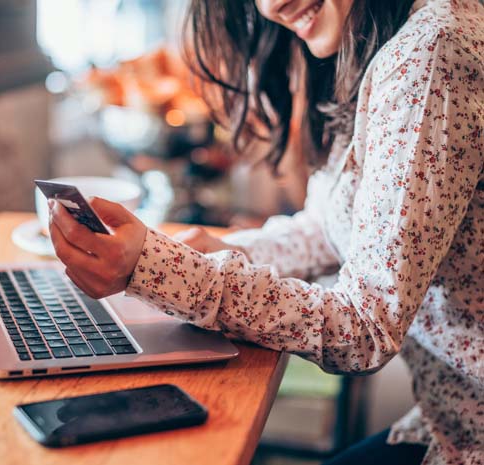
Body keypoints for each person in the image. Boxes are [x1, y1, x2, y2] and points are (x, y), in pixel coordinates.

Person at [48, 0, 484, 463]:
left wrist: (160, 273)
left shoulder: (430, 51)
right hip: (449, 419)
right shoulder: (385, 37)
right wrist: (209, 254)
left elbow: (365, 327)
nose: (272, 5)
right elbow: (332, 227)